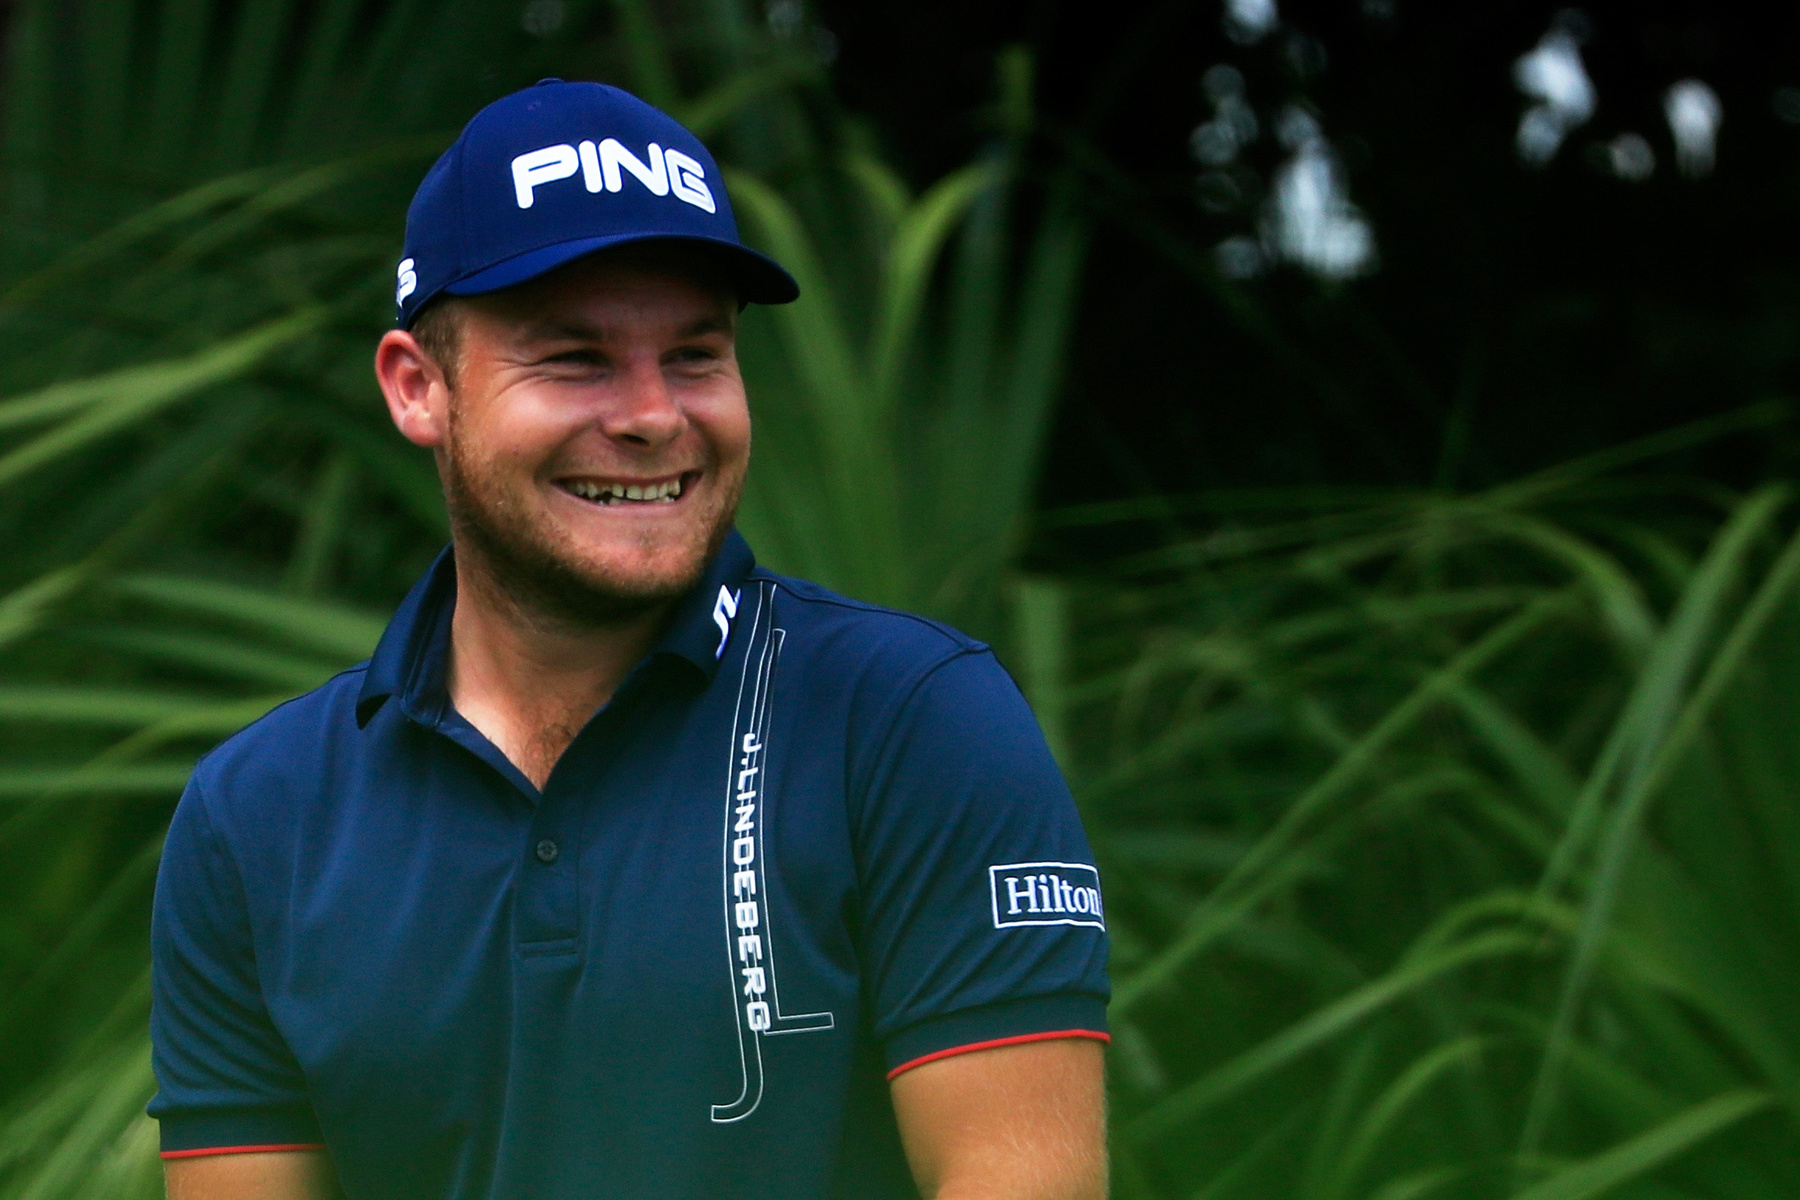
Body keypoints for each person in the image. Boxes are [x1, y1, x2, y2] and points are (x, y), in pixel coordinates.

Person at [148, 79, 1110, 1200]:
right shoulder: (256, 815)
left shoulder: (913, 720)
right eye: (576, 358)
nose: (654, 415)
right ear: (418, 389)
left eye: (696, 354)